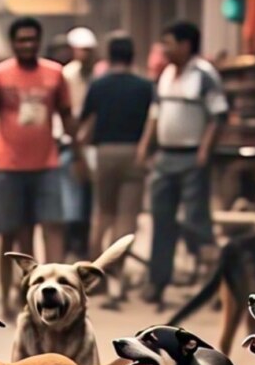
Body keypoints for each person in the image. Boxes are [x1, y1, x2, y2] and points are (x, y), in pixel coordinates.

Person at [0, 16, 80, 318]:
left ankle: (62, 296)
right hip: (9, 167)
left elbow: (66, 113)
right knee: (12, 235)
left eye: (32, 39)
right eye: (21, 40)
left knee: (53, 227)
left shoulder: (55, 74)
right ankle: (10, 295)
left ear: (39, 40)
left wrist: (78, 148)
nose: (27, 45)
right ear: (13, 43)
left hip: (47, 164)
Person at [137, 20, 228, 305]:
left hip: (191, 157)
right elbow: (155, 113)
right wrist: (145, 145)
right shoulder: (165, 75)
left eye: (169, 43)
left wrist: (204, 150)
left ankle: (214, 284)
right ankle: (157, 281)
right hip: (165, 156)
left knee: (195, 221)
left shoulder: (204, 75)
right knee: (161, 218)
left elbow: (218, 115)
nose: (164, 49)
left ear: (186, 45)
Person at [80, 32, 153, 307]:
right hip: (135, 152)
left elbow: (85, 121)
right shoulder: (145, 86)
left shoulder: (98, 85)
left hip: (105, 152)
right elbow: (152, 121)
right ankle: (117, 282)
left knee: (102, 214)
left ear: (109, 56)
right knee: (126, 219)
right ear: (132, 56)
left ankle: (93, 278)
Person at [60, 27, 98, 259]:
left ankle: (84, 246)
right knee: (72, 197)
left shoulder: (96, 75)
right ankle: (71, 245)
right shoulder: (67, 75)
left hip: (92, 142)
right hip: (71, 142)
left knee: (90, 200)